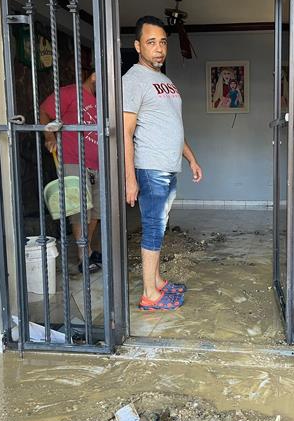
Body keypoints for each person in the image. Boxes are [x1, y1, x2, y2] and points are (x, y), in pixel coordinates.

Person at [122, 16, 203, 311]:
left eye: (163, 42)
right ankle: (149, 294)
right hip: (150, 166)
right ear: (138, 46)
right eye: (151, 42)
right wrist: (130, 179)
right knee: (153, 227)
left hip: (169, 166)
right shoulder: (133, 80)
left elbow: (172, 127)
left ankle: (156, 281)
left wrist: (191, 159)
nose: (158, 48)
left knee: (161, 224)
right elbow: (125, 132)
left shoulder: (165, 81)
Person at [39, 69, 102, 273]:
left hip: (97, 164)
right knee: (80, 210)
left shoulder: (101, 100)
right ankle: (83, 256)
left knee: (96, 211)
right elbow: (44, 110)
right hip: (74, 160)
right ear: (94, 76)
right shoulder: (70, 92)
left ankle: (88, 249)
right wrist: (49, 136)